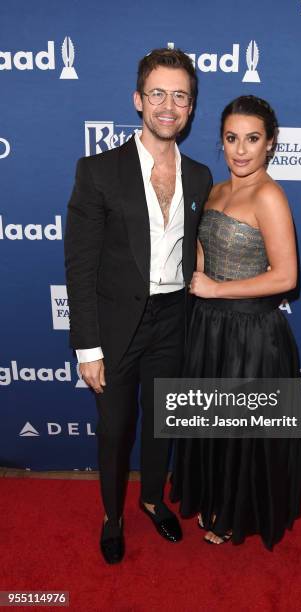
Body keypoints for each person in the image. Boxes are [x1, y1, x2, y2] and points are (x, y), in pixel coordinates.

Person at [64, 48, 212, 564]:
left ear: (191, 107)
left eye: (180, 96)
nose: (168, 106)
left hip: (174, 318)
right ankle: (113, 515)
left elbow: (196, 247)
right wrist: (87, 347)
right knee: (116, 429)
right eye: (158, 94)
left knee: (160, 422)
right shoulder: (98, 171)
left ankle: (152, 498)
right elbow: (79, 266)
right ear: (138, 100)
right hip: (116, 323)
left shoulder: (199, 175)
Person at [170, 95, 301, 549]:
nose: (241, 150)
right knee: (212, 426)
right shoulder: (216, 189)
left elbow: (286, 277)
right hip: (209, 329)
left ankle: (236, 512)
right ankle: (215, 498)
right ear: (221, 141)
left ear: (270, 144)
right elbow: (205, 254)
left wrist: (215, 289)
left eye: (252, 139)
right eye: (231, 138)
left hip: (252, 335)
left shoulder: (269, 195)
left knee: (242, 432)